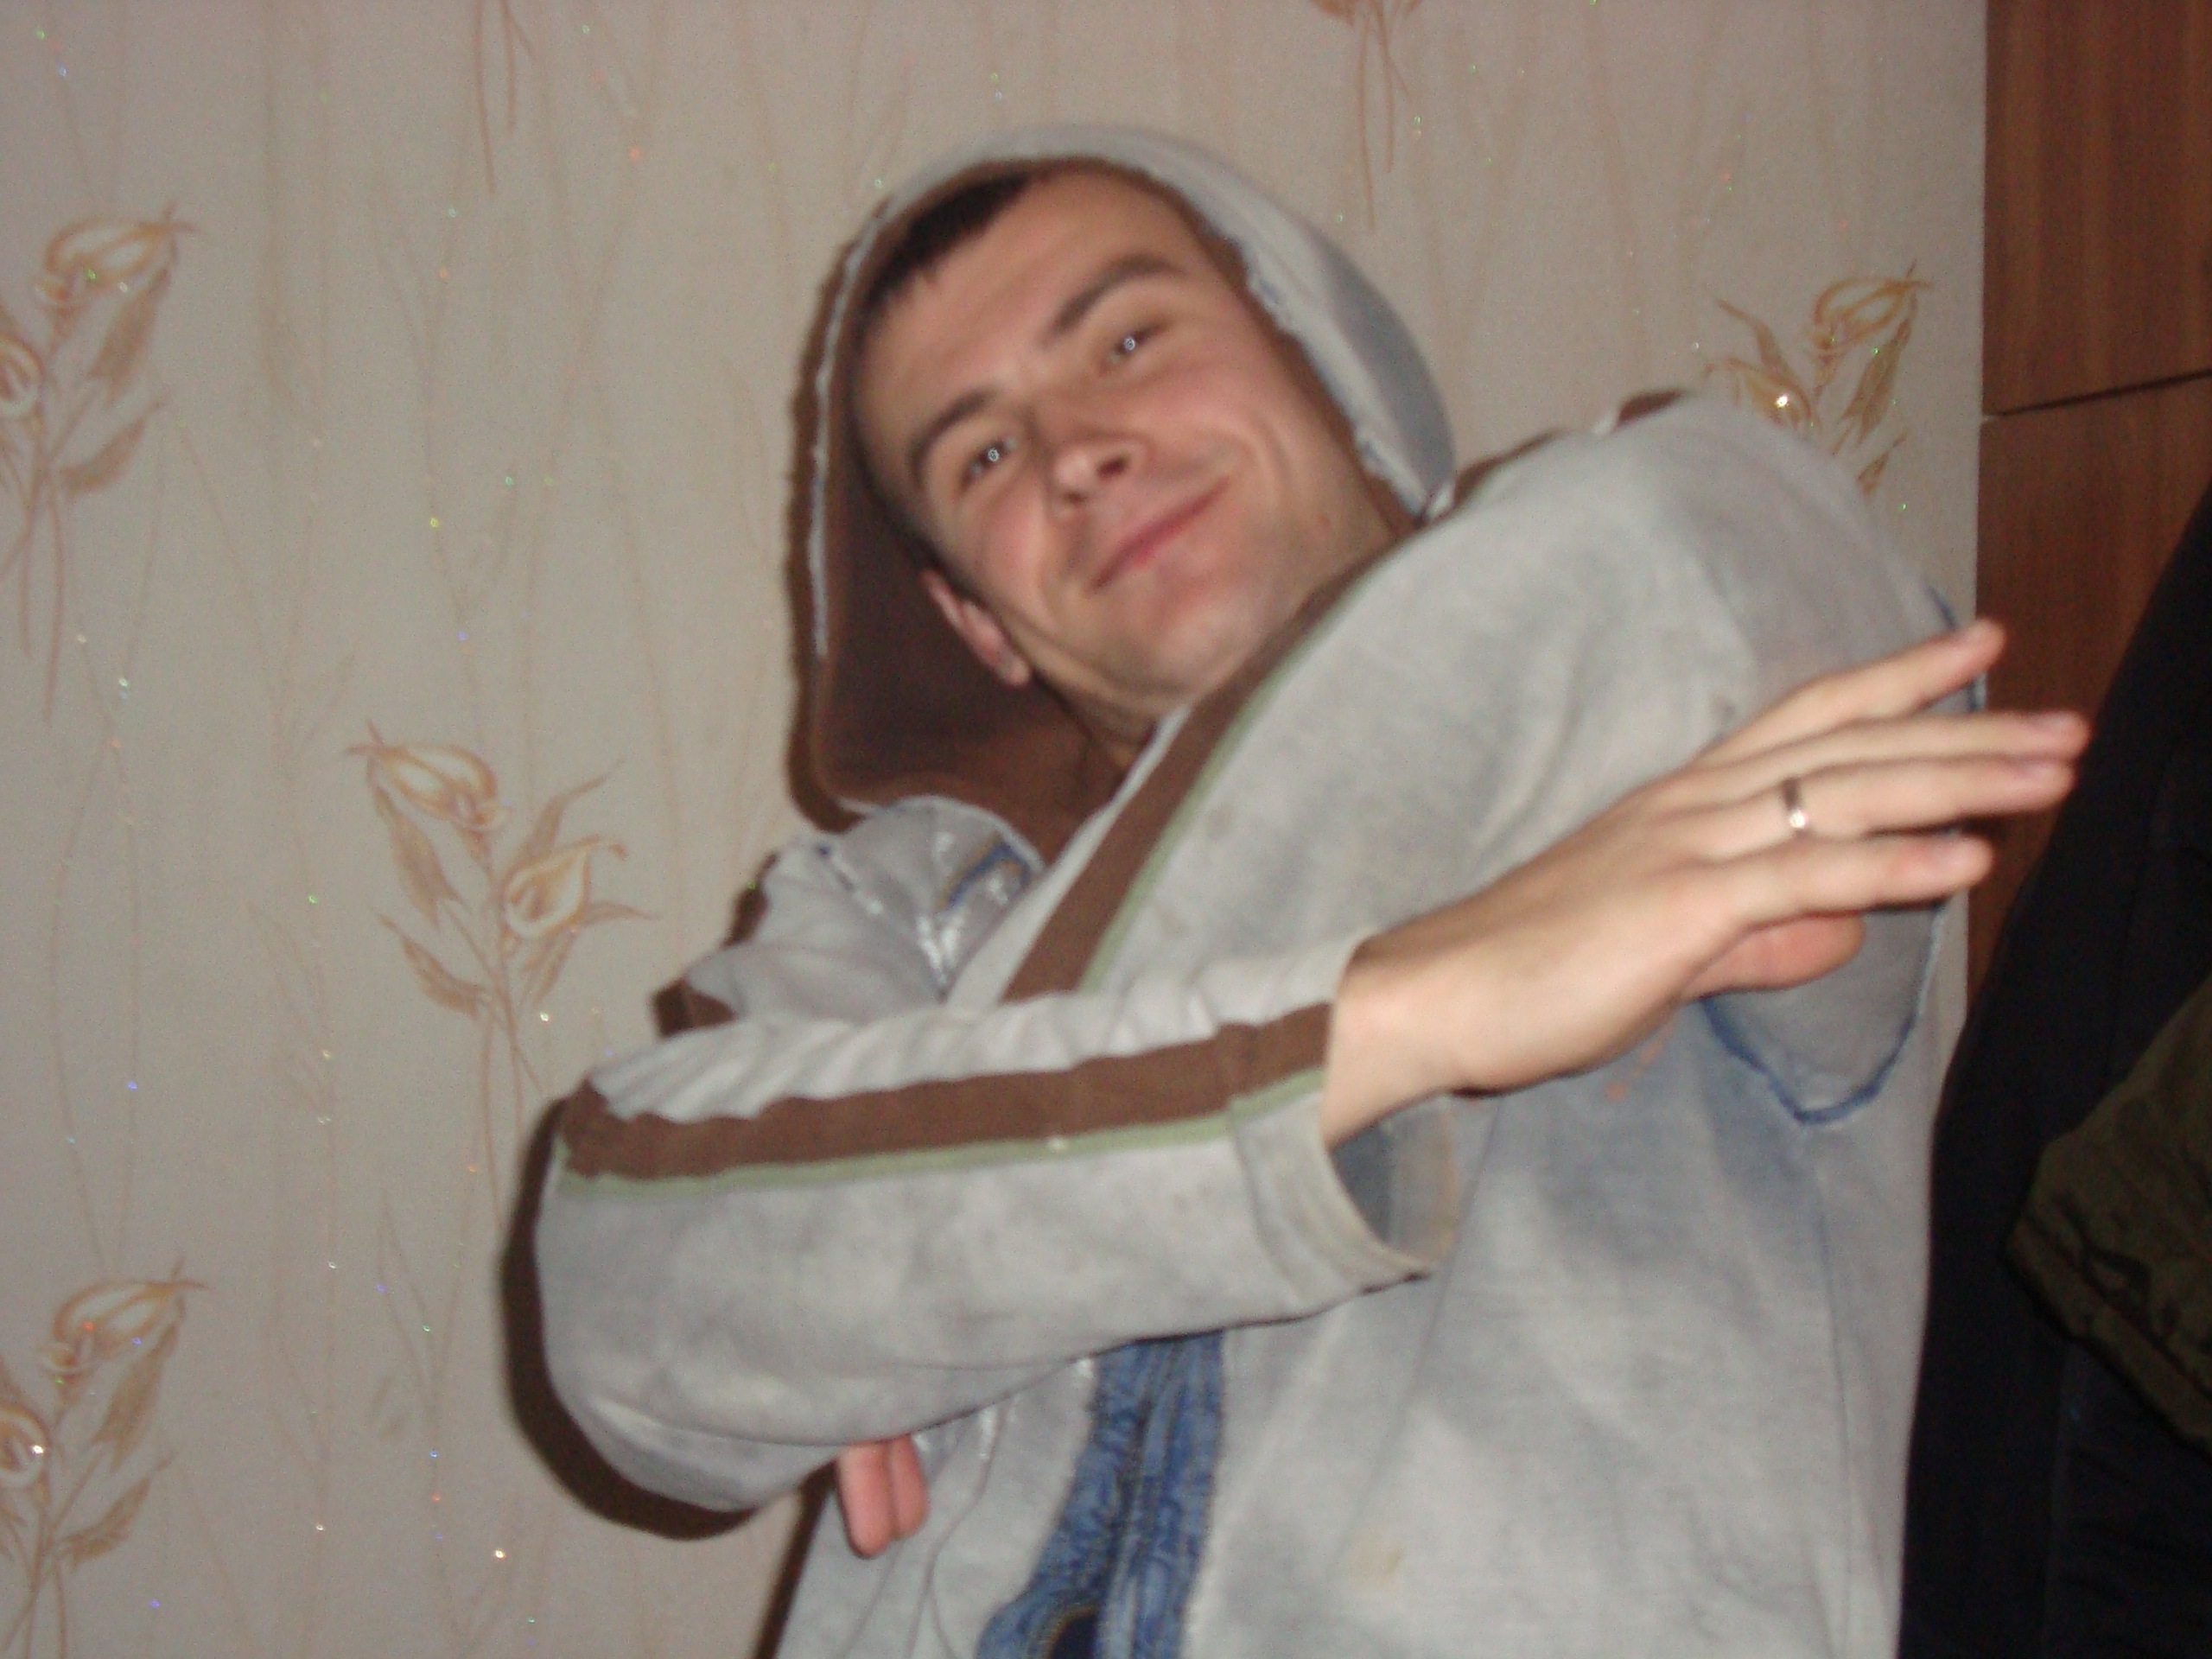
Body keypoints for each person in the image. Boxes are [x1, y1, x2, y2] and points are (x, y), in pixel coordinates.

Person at [534, 128, 2082, 1658]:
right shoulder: (895, 909)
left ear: (1319, 366)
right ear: (977, 623)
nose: (1077, 451)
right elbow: (629, 1289)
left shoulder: (1659, 633)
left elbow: (1676, 551)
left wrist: (900, 1239)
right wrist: (1408, 1013)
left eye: (1127, 340)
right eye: (984, 455)